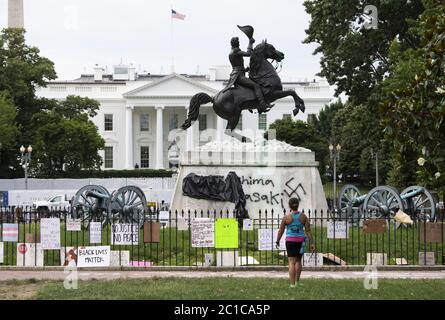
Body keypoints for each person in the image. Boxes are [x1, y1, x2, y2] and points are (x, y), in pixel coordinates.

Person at [221, 36, 271, 113]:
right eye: (238, 42)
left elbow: (237, 66)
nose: (239, 43)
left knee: (250, 87)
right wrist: (250, 42)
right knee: (256, 86)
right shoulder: (236, 51)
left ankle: (253, 105)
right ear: (236, 43)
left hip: (236, 74)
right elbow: (249, 54)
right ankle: (263, 105)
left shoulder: (231, 52)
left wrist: (245, 69)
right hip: (239, 76)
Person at [276, 197, 315, 288]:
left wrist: (277, 240)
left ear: (289, 206)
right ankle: (297, 282)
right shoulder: (303, 217)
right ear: (298, 205)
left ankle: (292, 284)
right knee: (298, 261)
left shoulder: (286, 217)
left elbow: (281, 230)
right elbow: (308, 230)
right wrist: (312, 243)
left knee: (291, 262)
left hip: (290, 241)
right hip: (301, 241)